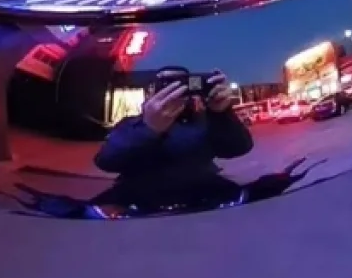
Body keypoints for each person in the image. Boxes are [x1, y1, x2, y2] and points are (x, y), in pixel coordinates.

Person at [91, 68, 254, 212]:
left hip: (204, 201)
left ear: (192, 88)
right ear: (150, 92)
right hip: (137, 206)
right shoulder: (131, 123)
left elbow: (239, 147)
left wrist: (221, 113)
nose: (173, 91)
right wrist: (148, 128)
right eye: (165, 84)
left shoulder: (204, 121)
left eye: (181, 84)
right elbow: (106, 160)